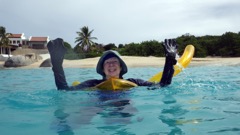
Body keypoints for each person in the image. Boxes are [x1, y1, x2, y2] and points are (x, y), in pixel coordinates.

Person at [47, 38, 178, 90]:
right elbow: (65, 90)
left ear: (121, 67)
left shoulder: (134, 82)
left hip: (125, 107)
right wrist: (57, 65)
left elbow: (162, 86)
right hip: (100, 108)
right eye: (107, 63)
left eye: (115, 62)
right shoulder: (92, 84)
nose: (111, 65)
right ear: (102, 69)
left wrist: (169, 60)